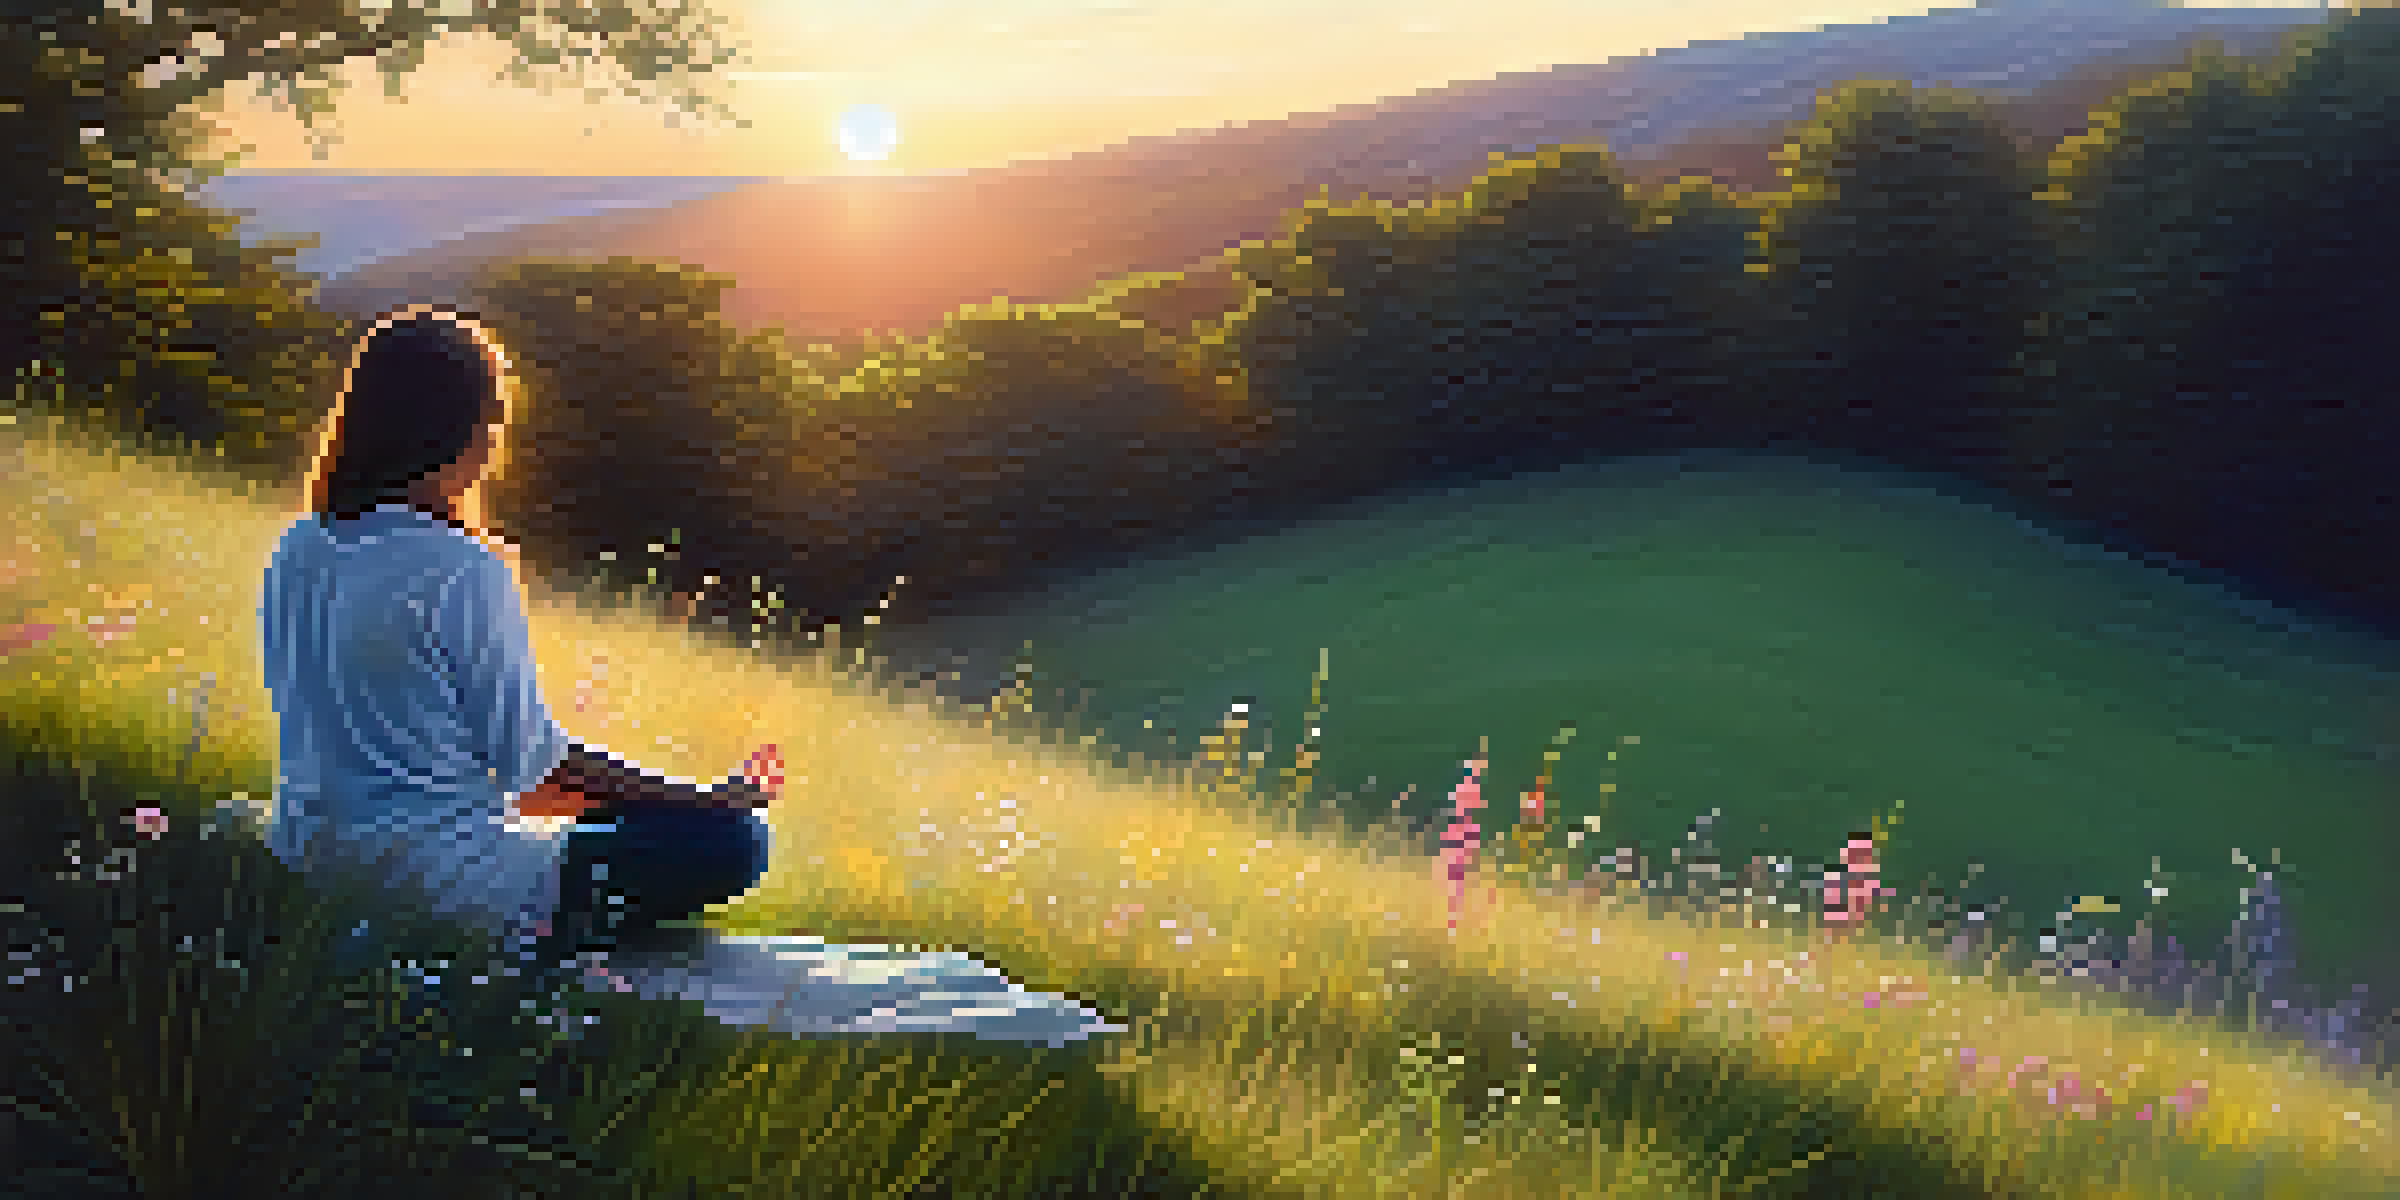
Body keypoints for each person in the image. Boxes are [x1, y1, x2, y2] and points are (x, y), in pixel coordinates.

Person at [259, 304, 782, 980]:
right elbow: (534, 770)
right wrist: (705, 798)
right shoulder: (459, 569)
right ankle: (540, 936)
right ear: (459, 430)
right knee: (734, 842)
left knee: (590, 827)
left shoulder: (298, 547)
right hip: (444, 884)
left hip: (309, 854)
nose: (495, 440)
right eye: (493, 418)